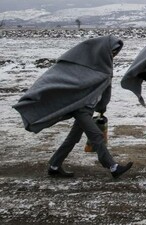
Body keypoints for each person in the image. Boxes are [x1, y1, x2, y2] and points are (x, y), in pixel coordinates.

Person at [13, 35, 133, 178]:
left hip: (89, 108)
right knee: (96, 136)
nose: (114, 55)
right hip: (81, 108)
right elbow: (70, 81)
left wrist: (102, 107)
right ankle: (112, 167)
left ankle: (54, 166)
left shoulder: (105, 67)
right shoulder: (85, 65)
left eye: (116, 52)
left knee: (72, 139)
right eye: (113, 51)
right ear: (103, 50)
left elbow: (106, 89)